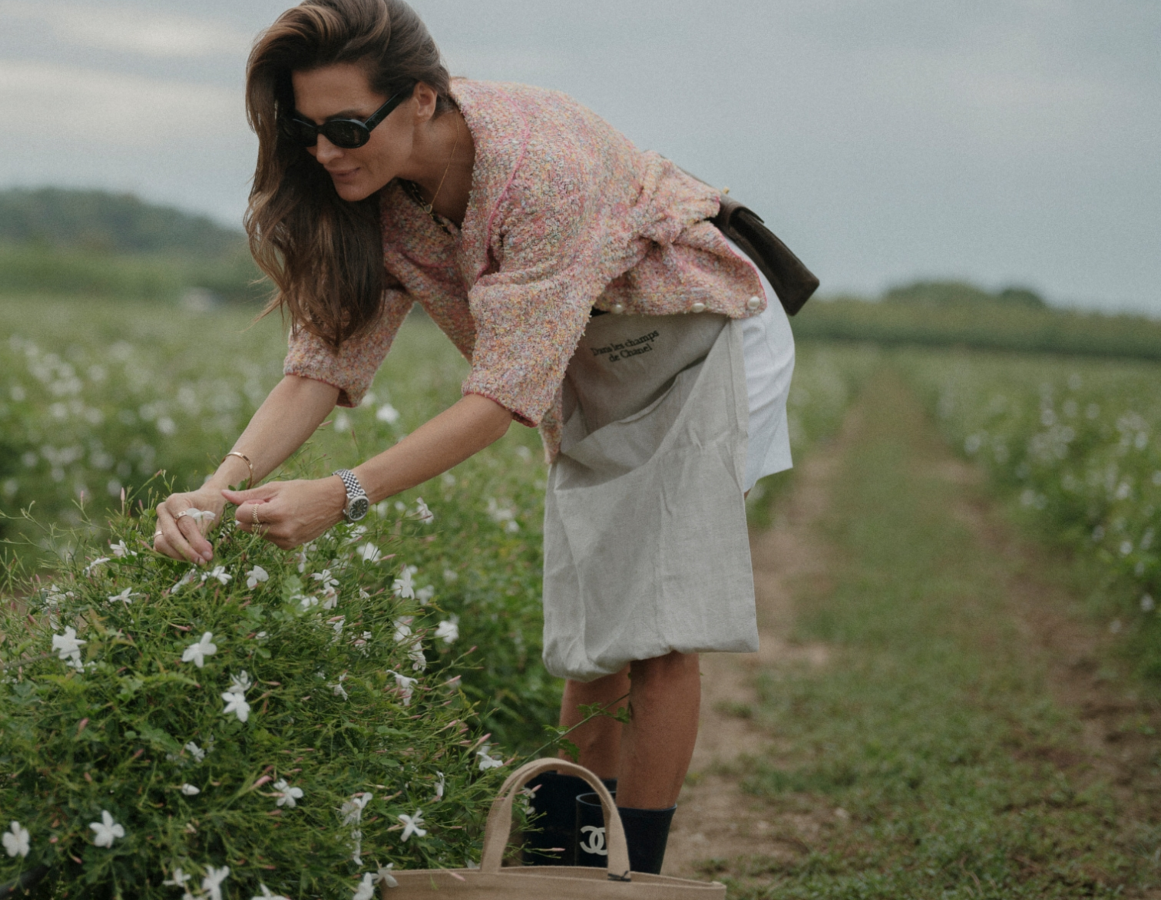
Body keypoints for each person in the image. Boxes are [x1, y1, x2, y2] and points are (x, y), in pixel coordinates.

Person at [152, 0, 796, 874]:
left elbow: (496, 401)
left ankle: (634, 880)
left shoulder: (540, 172)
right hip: (587, 359)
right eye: (307, 131)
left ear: (422, 99)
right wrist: (215, 483)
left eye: (346, 126)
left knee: (655, 626)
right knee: (588, 631)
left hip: (695, 334)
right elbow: (318, 367)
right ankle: (567, 868)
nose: (326, 151)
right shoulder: (375, 193)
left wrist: (340, 495)